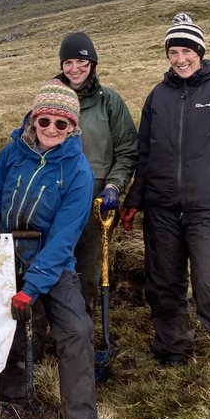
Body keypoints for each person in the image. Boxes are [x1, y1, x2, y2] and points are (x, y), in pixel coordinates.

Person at [121, 14, 210, 381]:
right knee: (163, 281)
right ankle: (173, 349)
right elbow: (145, 155)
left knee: (209, 284)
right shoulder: (157, 96)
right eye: (173, 52)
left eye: (186, 51)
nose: (179, 59)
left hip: (208, 206)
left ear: (199, 52)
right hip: (162, 206)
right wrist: (135, 199)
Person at [0, 83, 99, 419]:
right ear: (33, 119)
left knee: (77, 330)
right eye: (44, 119)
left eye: (61, 124)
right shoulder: (14, 151)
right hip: (7, 251)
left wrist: (31, 287)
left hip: (53, 259)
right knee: (11, 323)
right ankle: (12, 400)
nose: (51, 129)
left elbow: (65, 237)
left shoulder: (79, 171)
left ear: (72, 128)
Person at [50, 33, 138, 314]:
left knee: (88, 269)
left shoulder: (110, 102)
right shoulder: (49, 99)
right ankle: (50, 325)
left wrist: (113, 186)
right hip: (52, 197)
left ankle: (82, 329)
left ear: (93, 63)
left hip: (96, 202)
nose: (75, 68)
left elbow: (127, 150)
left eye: (82, 61)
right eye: (69, 62)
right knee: (51, 262)